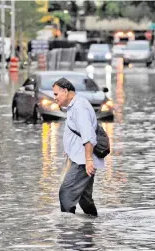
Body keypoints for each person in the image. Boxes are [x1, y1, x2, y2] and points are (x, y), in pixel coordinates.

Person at [52, 77, 104, 216]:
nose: (55, 98)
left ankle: (68, 230)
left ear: (65, 91)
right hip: (81, 158)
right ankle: (92, 224)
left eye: (56, 94)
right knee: (84, 198)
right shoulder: (75, 106)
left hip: (82, 161)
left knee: (66, 193)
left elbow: (88, 136)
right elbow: (76, 132)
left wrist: (88, 160)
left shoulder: (79, 107)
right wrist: (68, 149)